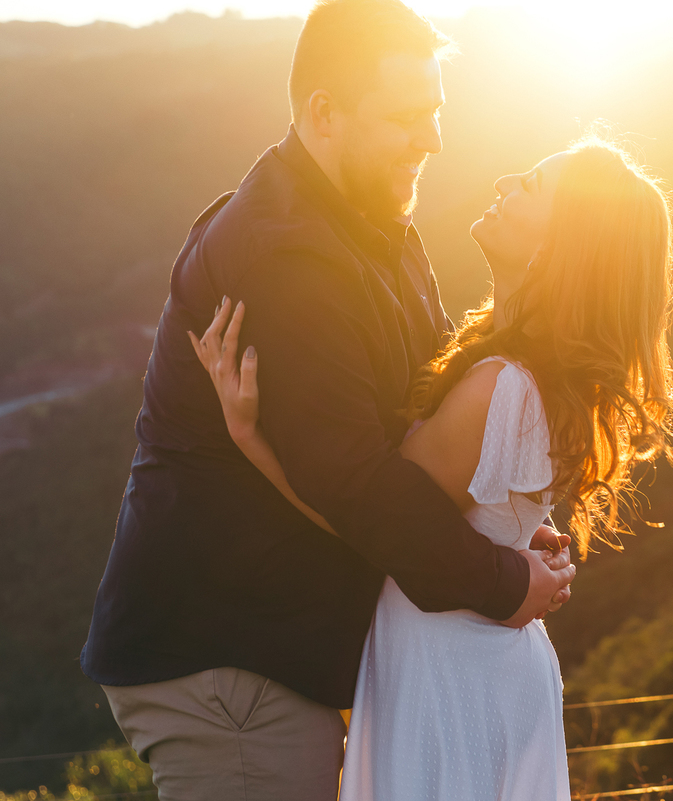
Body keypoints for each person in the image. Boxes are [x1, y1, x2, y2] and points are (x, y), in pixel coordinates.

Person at [79, 2, 573, 800]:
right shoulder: (288, 257)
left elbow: (424, 416)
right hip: (230, 659)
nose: (433, 139)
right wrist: (503, 581)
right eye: (407, 117)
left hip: (272, 647)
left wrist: (499, 518)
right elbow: (357, 481)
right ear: (324, 114)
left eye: (436, 112)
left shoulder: (378, 227)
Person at [192, 131, 673, 798]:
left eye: (531, 186)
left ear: (558, 247)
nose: (505, 182)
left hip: (450, 674)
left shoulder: (499, 387)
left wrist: (248, 436)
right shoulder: (532, 377)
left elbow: (368, 518)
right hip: (478, 663)